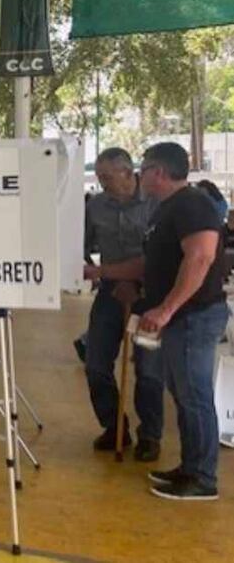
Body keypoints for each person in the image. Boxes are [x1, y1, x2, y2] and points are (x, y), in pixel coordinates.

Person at [125, 142, 227, 501]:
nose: (140, 175)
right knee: (184, 395)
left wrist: (166, 309)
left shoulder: (192, 203)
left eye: (144, 167)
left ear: (159, 172)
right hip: (180, 318)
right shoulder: (167, 209)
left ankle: (202, 477)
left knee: (194, 395)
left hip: (193, 316)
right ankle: (190, 467)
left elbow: (200, 257)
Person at [80, 148, 163, 461]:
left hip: (150, 295)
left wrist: (133, 281)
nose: (101, 183)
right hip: (111, 292)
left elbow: (159, 255)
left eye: (107, 177)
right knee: (96, 363)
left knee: (149, 370)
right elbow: (81, 245)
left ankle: (151, 435)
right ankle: (114, 427)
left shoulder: (157, 203)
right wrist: (94, 272)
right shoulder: (96, 206)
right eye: (99, 177)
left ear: (129, 173)